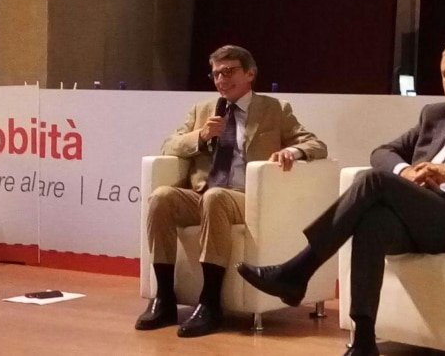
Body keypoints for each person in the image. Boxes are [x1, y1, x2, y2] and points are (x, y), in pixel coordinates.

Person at [235, 38, 445, 356]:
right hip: (418, 214)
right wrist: (405, 172)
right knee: (373, 222)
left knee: (372, 181)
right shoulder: (435, 115)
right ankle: (364, 341)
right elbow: (382, 152)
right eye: (444, 74)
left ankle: (298, 269)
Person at [136, 45, 328, 337]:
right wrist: (201, 135)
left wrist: (292, 151)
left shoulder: (274, 109)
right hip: (203, 192)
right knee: (162, 197)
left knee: (216, 198)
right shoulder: (202, 110)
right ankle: (163, 298)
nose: (221, 80)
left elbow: (316, 144)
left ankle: (210, 302)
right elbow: (169, 145)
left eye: (229, 72)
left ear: (250, 74)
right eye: (216, 74)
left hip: (245, 197)